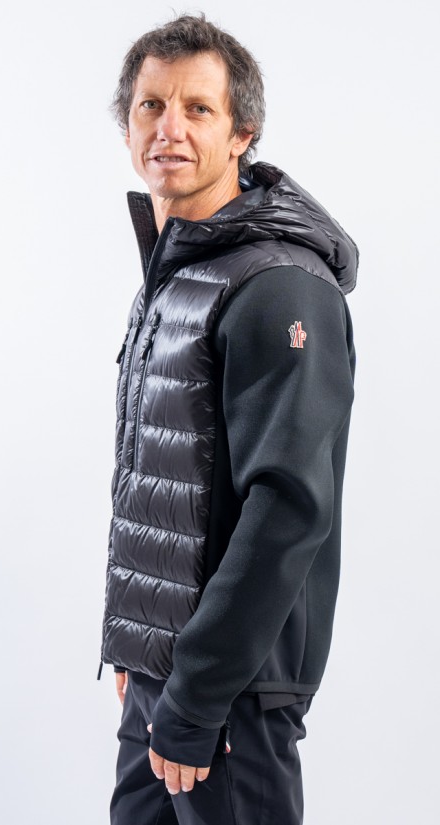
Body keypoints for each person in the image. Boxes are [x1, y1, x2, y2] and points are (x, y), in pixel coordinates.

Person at [97, 12, 358, 825]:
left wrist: (199, 690)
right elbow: (167, 475)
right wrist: (142, 649)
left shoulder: (279, 286)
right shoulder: (180, 273)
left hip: (230, 695)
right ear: (127, 123)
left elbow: (287, 508)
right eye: (151, 105)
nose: (168, 128)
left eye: (198, 108)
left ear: (242, 132)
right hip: (167, 676)